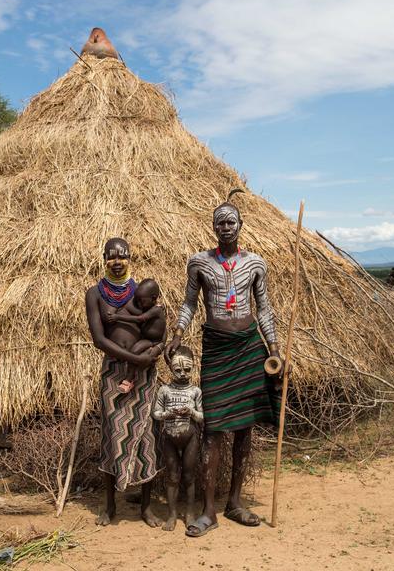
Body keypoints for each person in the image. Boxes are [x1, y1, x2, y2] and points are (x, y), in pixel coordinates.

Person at [166, 193, 282, 537]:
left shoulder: (256, 263)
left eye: (231, 221)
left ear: (241, 225)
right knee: (214, 430)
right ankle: (209, 510)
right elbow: (189, 303)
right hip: (216, 347)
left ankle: (235, 502)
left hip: (249, 346)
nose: (226, 227)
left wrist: (273, 347)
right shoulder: (199, 263)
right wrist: (177, 332)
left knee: (245, 429)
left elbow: (263, 308)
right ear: (213, 227)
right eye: (220, 222)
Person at [85, 238, 163, 528]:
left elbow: (157, 330)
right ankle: (109, 507)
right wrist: (133, 358)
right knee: (112, 434)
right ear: (104, 258)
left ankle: (146, 507)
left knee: (146, 436)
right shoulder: (95, 294)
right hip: (114, 372)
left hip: (142, 371)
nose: (117, 261)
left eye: (123, 256)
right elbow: (98, 339)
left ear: (130, 258)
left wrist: (148, 355)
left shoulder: (142, 291)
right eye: (111, 256)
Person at [153, 345, 204, 532]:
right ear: (171, 369)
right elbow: (156, 413)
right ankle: (172, 514)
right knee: (173, 477)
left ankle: (190, 514)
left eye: (187, 370)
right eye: (178, 370)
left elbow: (202, 417)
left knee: (189, 476)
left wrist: (190, 411)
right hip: (169, 438)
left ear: (194, 367)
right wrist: (168, 413)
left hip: (190, 437)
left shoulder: (196, 391)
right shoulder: (164, 390)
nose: (182, 374)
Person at [106, 278, 166, 393]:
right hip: (146, 339)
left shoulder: (156, 310)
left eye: (141, 301)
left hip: (154, 341)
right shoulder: (148, 308)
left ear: (153, 298)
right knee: (134, 351)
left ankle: (129, 379)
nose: (139, 304)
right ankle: (130, 378)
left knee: (137, 352)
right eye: (137, 300)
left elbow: (140, 319)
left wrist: (117, 317)